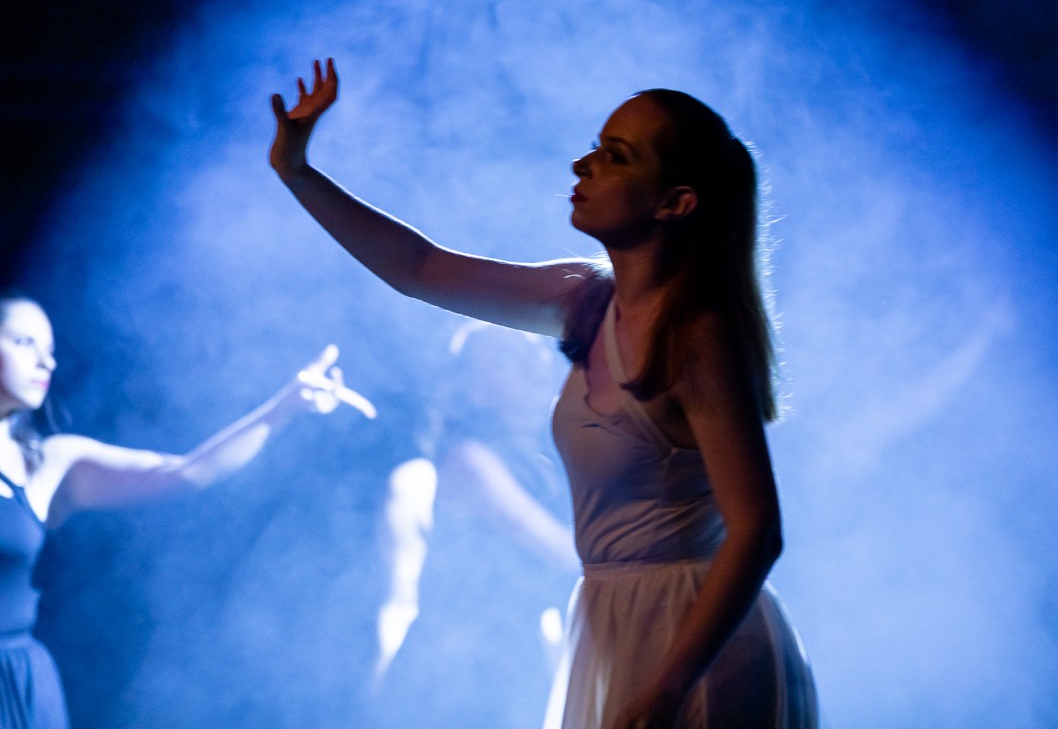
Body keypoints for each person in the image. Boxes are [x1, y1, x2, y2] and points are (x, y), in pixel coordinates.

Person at [270, 59, 818, 729]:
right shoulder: (584, 298)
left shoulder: (696, 336)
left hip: (698, 642)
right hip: (616, 620)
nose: (582, 165)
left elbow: (757, 531)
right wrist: (297, 171)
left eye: (615, 156)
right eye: (595, 146)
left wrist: (668, 688)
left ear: (674, 203)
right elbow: (418, 269)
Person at [0, 291, 374, 729]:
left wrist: (283, 408)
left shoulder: (47, 462)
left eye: (50, 350)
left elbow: (187, 472)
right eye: (24, 343)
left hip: (19, 684)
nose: (46, 362)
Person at [371, 320, 577, 727]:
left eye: (533, 348)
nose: (532, 362)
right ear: (476, 391)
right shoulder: (470, 461)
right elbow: (565, 554)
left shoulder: (547, 458)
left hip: (514, 660)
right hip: (454, 672)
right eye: (506, 359)